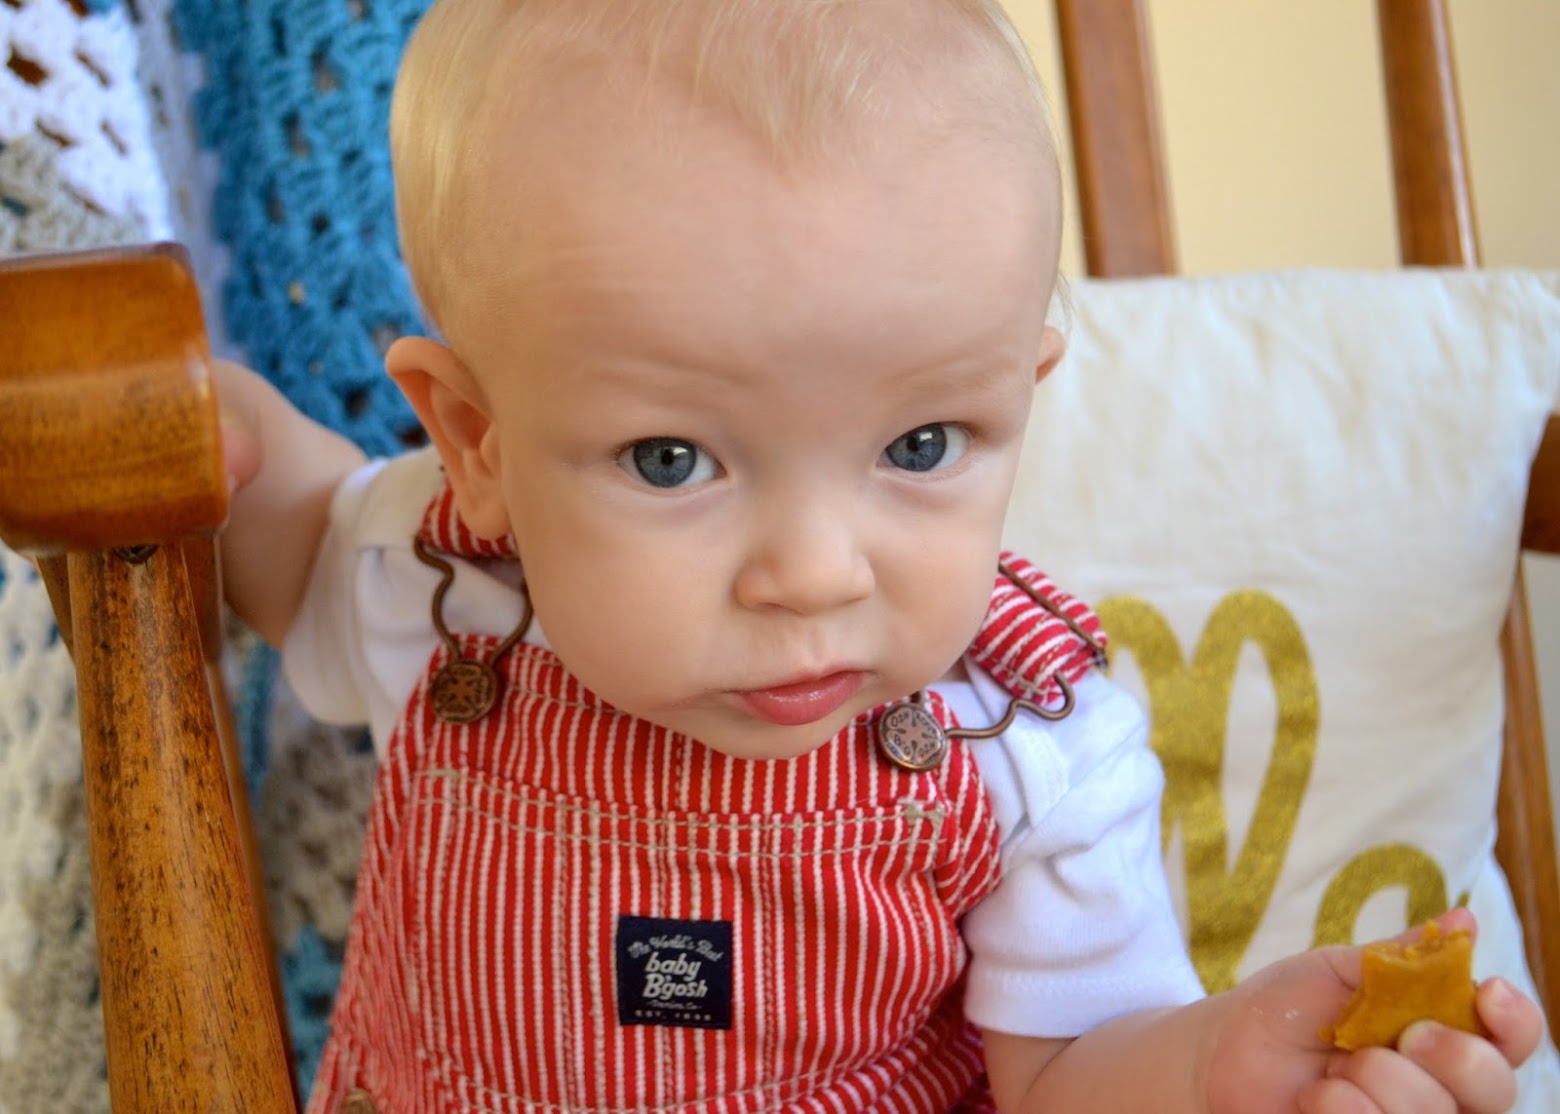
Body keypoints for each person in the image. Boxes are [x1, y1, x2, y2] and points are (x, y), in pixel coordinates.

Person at [214, 1, 1545, 1111]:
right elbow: (287, 541)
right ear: (475, 442)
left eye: (919, 444)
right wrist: (201, 423)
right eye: (672, 459)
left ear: (1021, 392)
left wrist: (1210, 1060)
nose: (813, 575)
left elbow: (1067, 1068)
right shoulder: (454, 594)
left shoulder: (1029, 747)